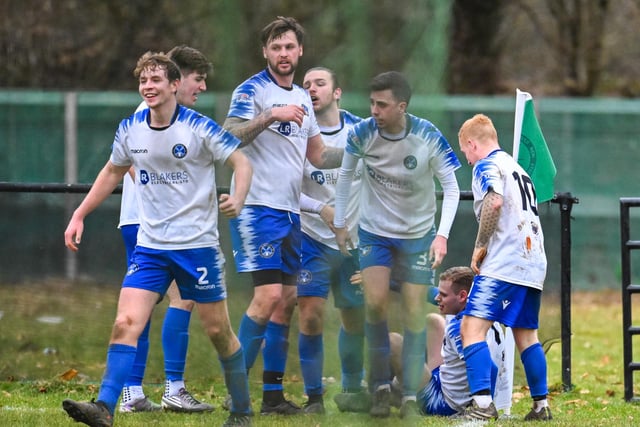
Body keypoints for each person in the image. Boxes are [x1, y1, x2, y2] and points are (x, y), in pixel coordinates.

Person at [61, 51, 253, 427]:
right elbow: (112, 170)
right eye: (143, 81)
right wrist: (79, 214)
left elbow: (242, 163)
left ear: (174, 84)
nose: (148, 87)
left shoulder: (199, 127)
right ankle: (103, 407)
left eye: (156, 81)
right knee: (125, 323)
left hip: (198, 247)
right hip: (151, 247)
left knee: (218, 331)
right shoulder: (130, 128)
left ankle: (243, 409)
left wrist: (239, 197)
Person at [222, 16, 343, 416]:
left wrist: (361, 152)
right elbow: (228, 134)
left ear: (300, 50)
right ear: (265, 52)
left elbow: (319, 156)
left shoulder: (305, 100)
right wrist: (270, 116)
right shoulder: (252, 90)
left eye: (289, 47)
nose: (283, 54)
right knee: (268, 296)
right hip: (258, 208)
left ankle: (272, 396)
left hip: (291, 213)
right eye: (276, 47)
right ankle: (237, 394)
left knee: (286, 301)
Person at [333, 71, 461, 418]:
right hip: (375, 233)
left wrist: (441, 234)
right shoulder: (361, 134)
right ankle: (376, 388)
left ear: (401, 107)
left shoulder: (427, 135)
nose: (374, 110)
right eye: (372, 103)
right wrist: (342, 223)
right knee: (374, 304)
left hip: (418, 237)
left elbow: (450, 186)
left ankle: (406, 396)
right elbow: (345, 177)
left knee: (413, 312)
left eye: (382, 105)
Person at [118, 45, 215, 414]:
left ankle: (132, 392)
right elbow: (130, 163)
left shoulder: (167, 113)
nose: (202, 87)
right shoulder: (152, 110)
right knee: (181, 298)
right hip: (150, 224)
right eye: (199, 78)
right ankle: (172, 388)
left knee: (142, 304)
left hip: (142, 221)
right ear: (179, 80)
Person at [456, 113, 552, 421]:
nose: (468, 160)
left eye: (465, 152)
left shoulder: (487, 165)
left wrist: (480, 244)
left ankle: (482, 406)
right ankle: (541, 406)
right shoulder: (518, 168)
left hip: (505, 262)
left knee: (471, 328)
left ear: (472, 144)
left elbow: (494, 202)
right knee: (527, 334)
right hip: (534, 262)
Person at [296, 67, 365, 414]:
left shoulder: (361, 131)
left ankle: (353, 389)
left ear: (337, 92)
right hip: (311, 238)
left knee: (354, 316)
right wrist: (322, 210)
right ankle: (313, 398)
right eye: (305, 85)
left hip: (352, 242)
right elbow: (283, 189)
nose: (311, 89)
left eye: (320, 83)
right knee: (310, 315)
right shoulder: (295, 134)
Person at [388, 266, 508, 416]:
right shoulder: (478, 305)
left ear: (462, 296)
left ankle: (396, 392)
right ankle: (395, 388)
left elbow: (491, 367)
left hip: (441, 401)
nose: (438, 298)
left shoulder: (462, 328)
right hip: (446, 382)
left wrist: (482, 404)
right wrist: (386, 281)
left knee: (394, 342)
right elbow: (426, 292)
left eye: (443, 295)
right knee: (434, 322)